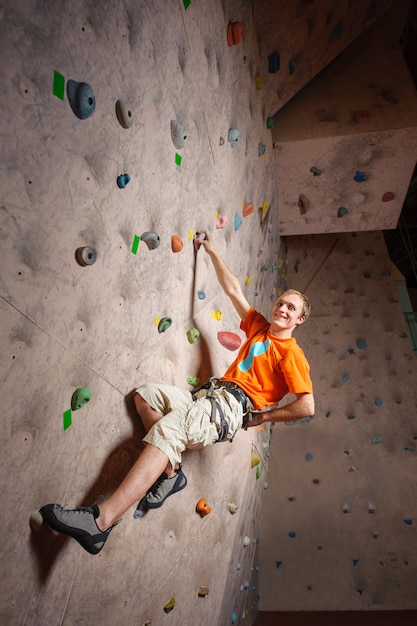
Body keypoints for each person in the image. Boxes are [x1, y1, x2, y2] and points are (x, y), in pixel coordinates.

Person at [39, 231, 314, 555]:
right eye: (282, 302)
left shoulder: (291, 354)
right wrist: (210, 250)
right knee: (145, 396)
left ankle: (99, 524)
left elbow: (306, 406)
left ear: (300, 318)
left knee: (169, 431)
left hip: (231, 408)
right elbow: (232, 288)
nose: (282, 308)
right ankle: (171, 473)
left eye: (290, 308)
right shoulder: (259, 327)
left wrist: (263, 417)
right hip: (209, 396)